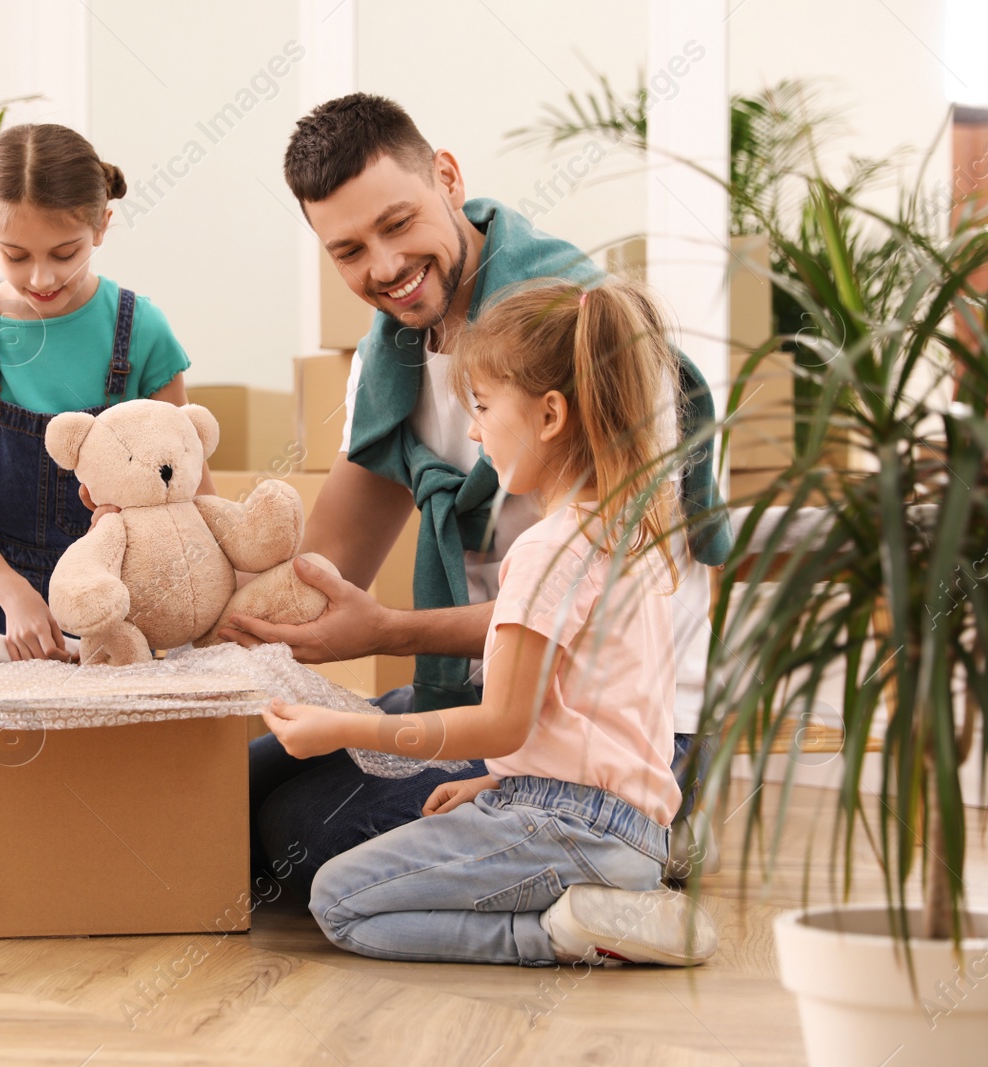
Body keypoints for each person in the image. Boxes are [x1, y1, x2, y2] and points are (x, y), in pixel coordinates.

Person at [226, 94, 731, 893]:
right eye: (349, 249)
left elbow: (616, 611)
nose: (384, 267)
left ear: (449, 179)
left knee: (298, 832)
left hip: (616, 732)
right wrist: (171, 604)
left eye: (398, 225)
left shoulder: (590, 337)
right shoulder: (389, 360)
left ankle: (640, 843)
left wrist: (388, 629)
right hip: (491, 693)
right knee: (237, 781)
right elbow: (323, 570)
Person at [262, 279, 717, 966]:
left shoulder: (545, 549)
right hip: (631, 829)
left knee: (338, 899)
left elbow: (502, 723)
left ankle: (556, 934)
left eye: (481, 405)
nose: (473, 429)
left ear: (551, 414)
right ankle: (610, 903)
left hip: (567, 828)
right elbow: (602, 722)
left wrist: (344, 727)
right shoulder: (631, 537)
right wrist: (496, 782)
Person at [0, 124, 213, 661]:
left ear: (102, 226)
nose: (40, 277)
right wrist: (13, 594)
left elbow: (188, 481)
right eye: (15, 255)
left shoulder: (141, 329)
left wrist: (230, 582)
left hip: (127, 594)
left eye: (65, 253)